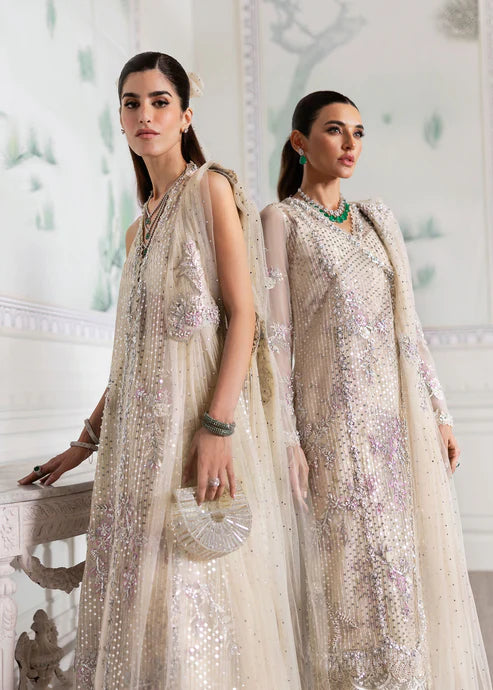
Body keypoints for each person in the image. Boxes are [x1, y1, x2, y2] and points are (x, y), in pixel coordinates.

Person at [19, 52, 307, 689]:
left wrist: (218, 427)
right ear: (120, 118)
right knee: (144, 618)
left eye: (159, 102)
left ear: (185, 116)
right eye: (132, 103)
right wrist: (84, 441)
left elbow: (244, 317)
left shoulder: (210, 190)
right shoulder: (136, 231)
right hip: (133, 451)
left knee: (193, 606)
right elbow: (133, 358)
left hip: (194, 436)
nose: (145, 114)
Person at [261, 90, 492, 689]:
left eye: (359, 133)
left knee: (398, 565)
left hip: (391, 430)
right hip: (330, 429)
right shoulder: (280, 221)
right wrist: (289, 438)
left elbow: (408, 328)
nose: (350, 144)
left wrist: (439, 412)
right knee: (346, 573)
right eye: (335, 130)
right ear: (300, 141)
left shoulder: (375, 220)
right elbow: (277, 340)